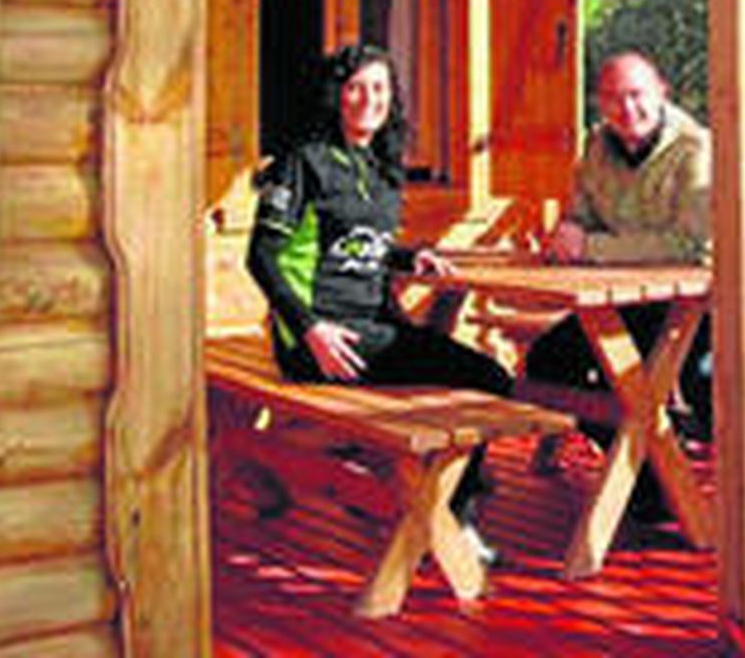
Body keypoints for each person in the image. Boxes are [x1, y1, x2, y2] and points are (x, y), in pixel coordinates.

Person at [244, 43, 513, 561]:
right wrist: (310, 330)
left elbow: (360, 245)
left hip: (371, 331)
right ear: (336, 96)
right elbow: (262, 257)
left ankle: (443, 506)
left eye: (380, 88)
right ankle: (451, 521)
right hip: (319, 341)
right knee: (483, 382)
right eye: (357, 87)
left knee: (489, 380)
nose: (370, 99)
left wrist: (409, 259)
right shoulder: (303, 162)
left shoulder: (382, 170)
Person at [522, 50, 713, 522]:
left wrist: (590, 248)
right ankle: (650, 479)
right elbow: (582, 217)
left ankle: (657, 486)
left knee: (626, 376)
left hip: (686, 309)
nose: (627, 109)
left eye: (636, 95)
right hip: (615, 301)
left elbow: (692, 246)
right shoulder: (596, 146)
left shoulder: (696, 150)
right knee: (547, 363)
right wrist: (566, 237)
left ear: (662, 92)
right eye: (613, 99)